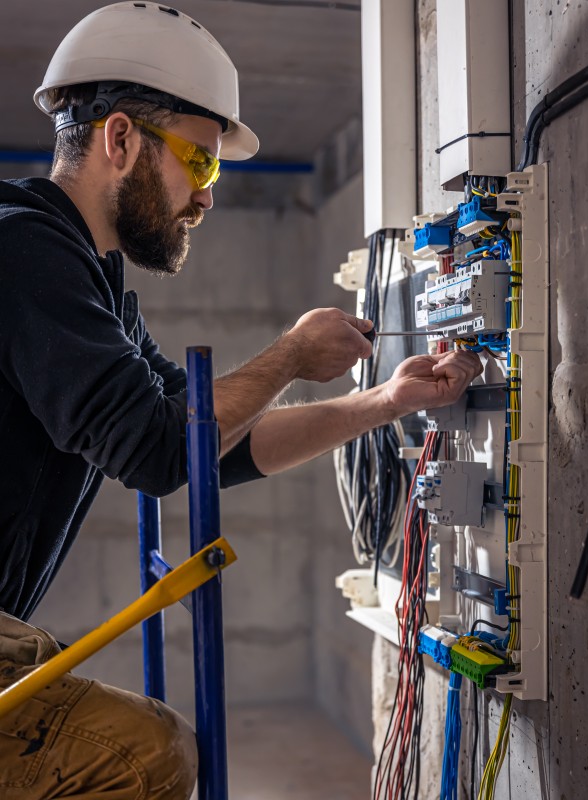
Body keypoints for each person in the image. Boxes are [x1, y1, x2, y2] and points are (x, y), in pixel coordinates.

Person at [0, 3, 482, 798]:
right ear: (118, 139)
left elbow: (200, 446)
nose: (206, 197)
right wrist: (290, 353)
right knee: (145, 755)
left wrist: (388, 402)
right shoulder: (24, 252)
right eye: (200, 163)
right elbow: (156, 451)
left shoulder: (91, 284)